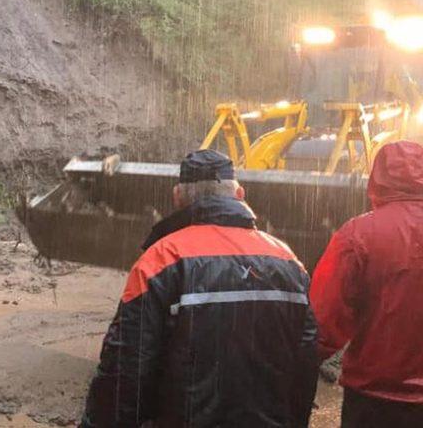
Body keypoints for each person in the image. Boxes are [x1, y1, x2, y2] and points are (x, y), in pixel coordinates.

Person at [80, 149, 318, 427]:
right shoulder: (288, 262)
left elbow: (126, 369)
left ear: (177, 197)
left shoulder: (159, 262)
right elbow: (305, 365)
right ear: (240, 194)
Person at [310, 140, 423, 427]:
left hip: (373, 400)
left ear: (377, 178)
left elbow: (324, 318)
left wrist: (305, 360)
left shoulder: (357, 234)